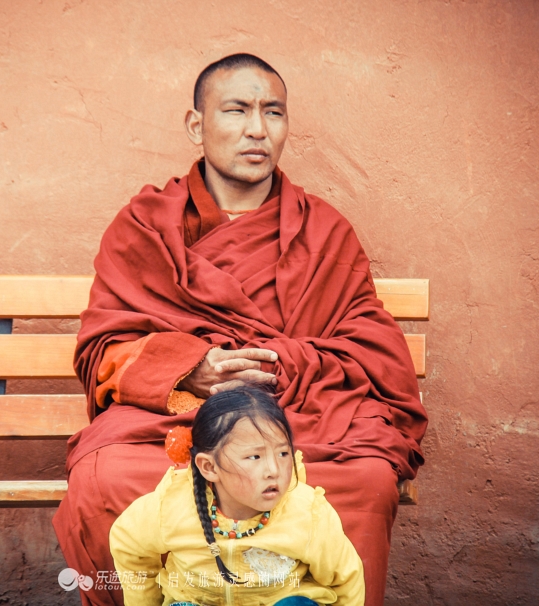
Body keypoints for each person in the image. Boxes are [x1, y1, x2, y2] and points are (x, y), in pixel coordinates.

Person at [52, 53, 427, 606]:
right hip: (178, 413)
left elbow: (369, 343)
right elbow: (105, 350)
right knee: (106, 476)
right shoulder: (144, 226)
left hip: (297, 412)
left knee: (366, 479)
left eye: (273, 112)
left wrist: (287, 364)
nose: (258, 129)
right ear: (197, 126)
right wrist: (189, 370)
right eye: (237, 110)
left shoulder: (323, 229)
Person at [110, 386, 365, 606]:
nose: (274, 471)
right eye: (255, 457)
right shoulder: (171, 507)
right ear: (209, 467)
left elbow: (347, 579)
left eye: (283, 453)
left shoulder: (307, 512)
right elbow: (128, 542)